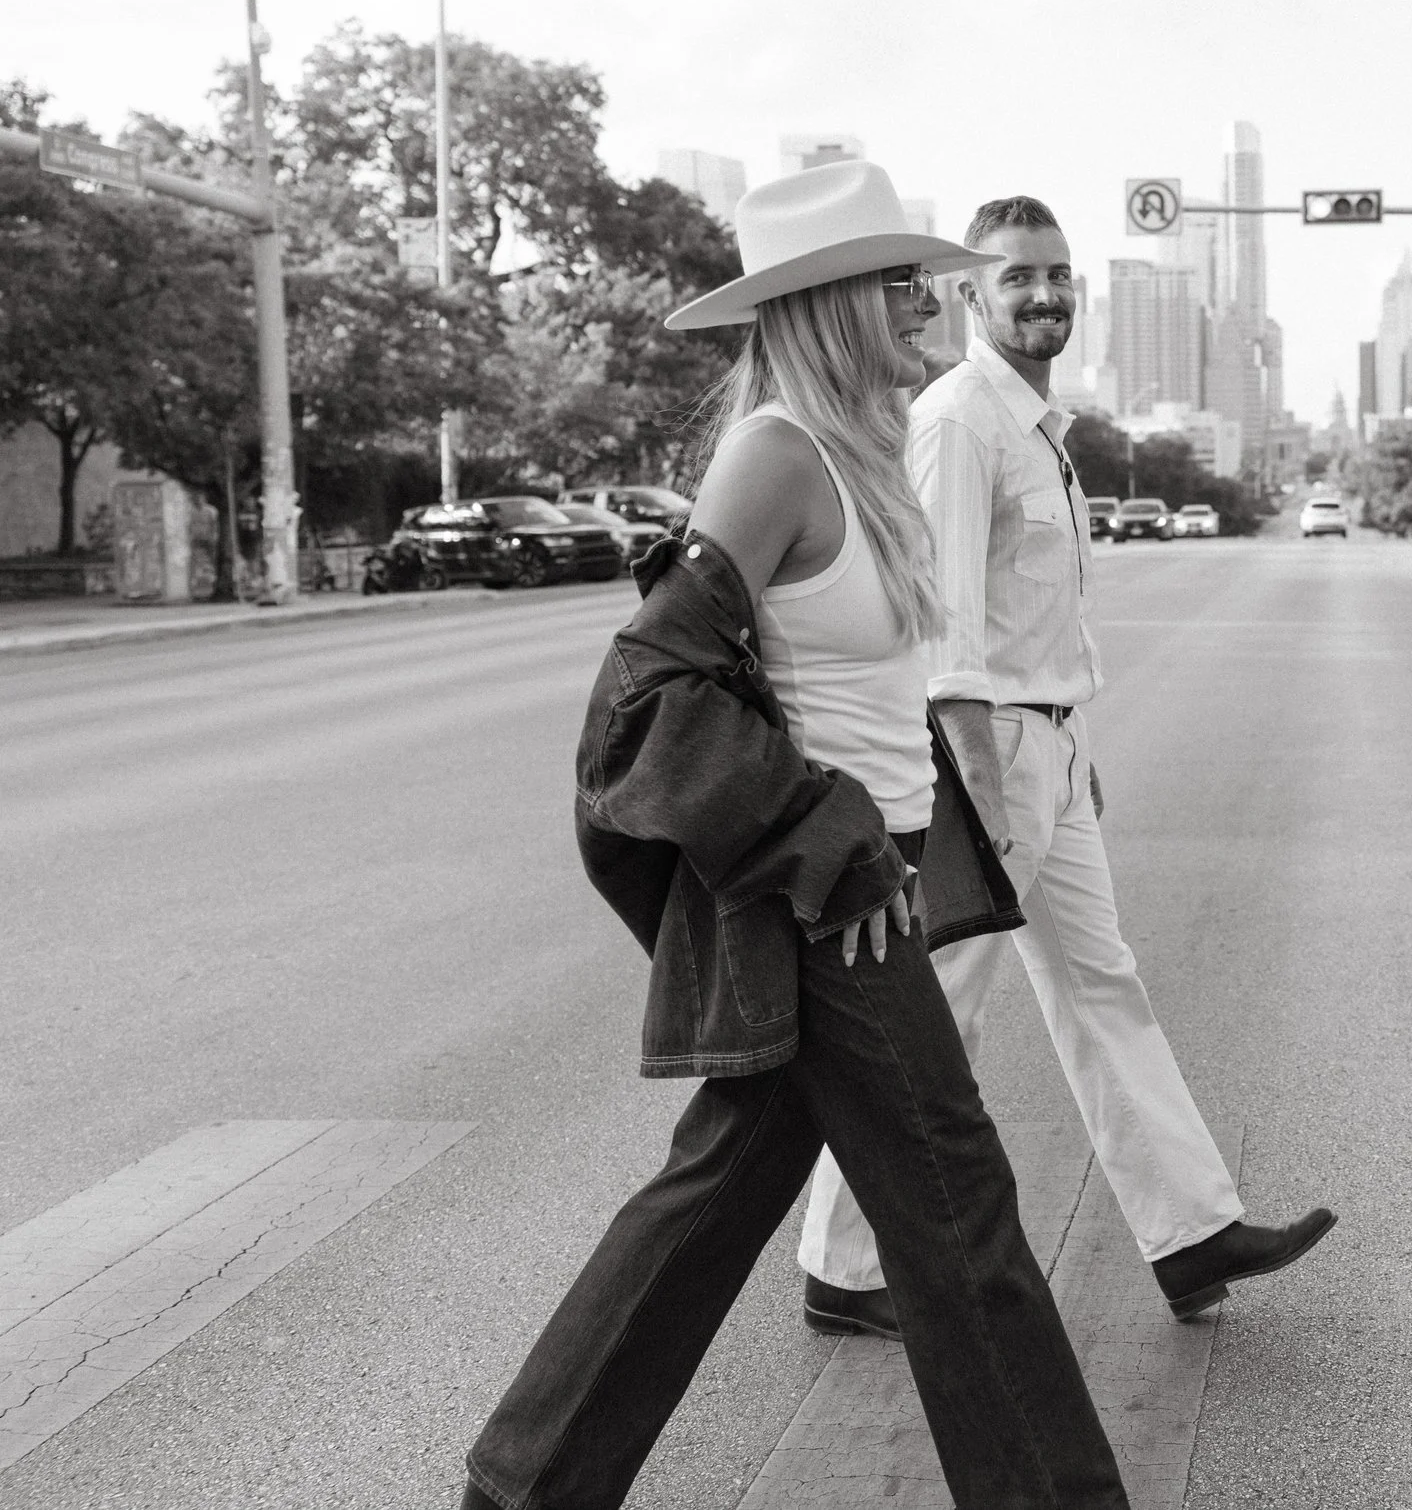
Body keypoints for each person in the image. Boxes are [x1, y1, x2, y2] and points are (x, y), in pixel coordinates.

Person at [458, 163, 1127, 1510]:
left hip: (869, 874)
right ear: (826, 302)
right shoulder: (777, 453)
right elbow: (652, 688)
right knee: (960, 1207)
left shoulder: (873, 449)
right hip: (830, 901)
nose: (926, 297)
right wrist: (821, 829)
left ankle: (526, 1482)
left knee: (715, 1193)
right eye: (895, 278)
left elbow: (877, 688)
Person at [796, 195, 1335, 1341]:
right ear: (970, 295)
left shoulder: (1037, 421)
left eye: (1058, 274)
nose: (1044, 294)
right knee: (944, 1011)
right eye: (1017, 277)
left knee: (1103, 985)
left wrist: (1069, 747)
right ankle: (844, 1264)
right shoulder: (959, 420)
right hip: (985, 758)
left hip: (1048, 744)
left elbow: (1035, 606)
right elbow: (946, 625)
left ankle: (1192, 1230)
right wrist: (988, 783)